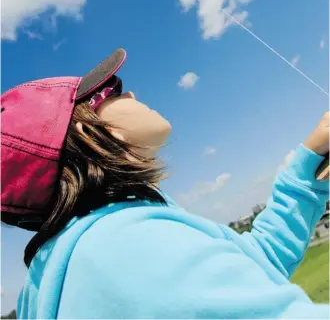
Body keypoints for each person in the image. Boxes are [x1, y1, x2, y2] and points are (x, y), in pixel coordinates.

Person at [1, 48, 329, 319]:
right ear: (89, 133)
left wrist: (309, 163)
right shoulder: (125, 249)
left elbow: (254, 263)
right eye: (109, 91)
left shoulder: (61, 272)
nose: (128, 92)